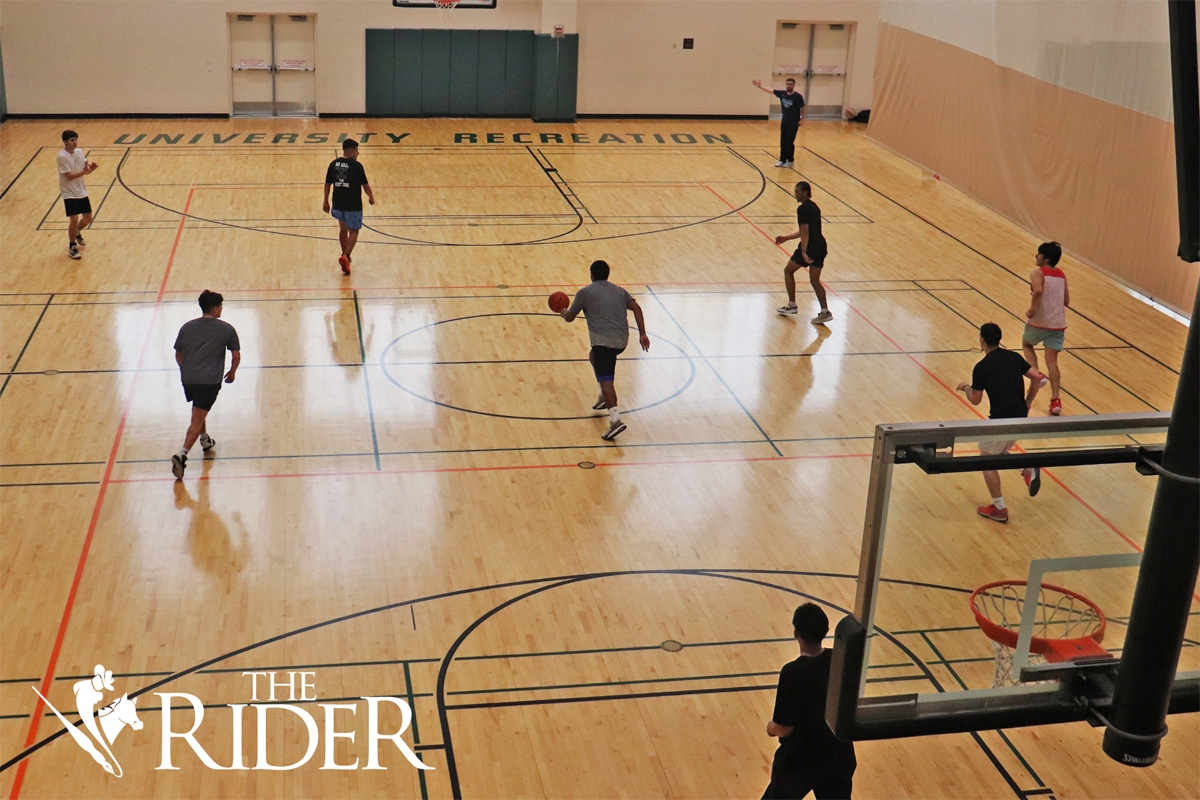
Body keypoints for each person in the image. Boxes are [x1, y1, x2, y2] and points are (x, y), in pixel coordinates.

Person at [762, 603, 857, 800]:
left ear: (796, 633)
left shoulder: (792, 673)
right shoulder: (839, 660)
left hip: (800, 761)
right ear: (826, 631)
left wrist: (771, 728)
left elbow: (784, 728)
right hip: (837, 756)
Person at [956, 323, 1046, 523]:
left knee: (986, 459)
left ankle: (999, 508)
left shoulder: (982, 367)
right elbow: (1038, 378)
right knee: (994, 452)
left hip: (1001, 420)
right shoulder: (1014, 357)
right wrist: (1029, 401)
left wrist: (966, 387)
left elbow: (975, 399)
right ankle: (1025, 469)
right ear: (999, 339)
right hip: (1020, 416)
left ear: (982, 341)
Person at [561, 260, 650, 441]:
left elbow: (569, 317)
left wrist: (560, 310)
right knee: (593, 357)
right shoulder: (619, 291)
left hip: (604, 343)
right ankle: (603, 395)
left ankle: (615, 420)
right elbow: (637, 308)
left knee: (607, 380)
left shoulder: (585, 293)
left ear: (591, 274)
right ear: (607, 274)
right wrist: (642, 334)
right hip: (621, 341)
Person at [172, 291, 240, 479]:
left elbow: (178, 353)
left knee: (198, 410)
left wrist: (185, 369)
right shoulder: (227, 329)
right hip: (209, 381)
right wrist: (232, 372)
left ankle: (205, 440)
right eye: (221, 306)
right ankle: (182, 454)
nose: (222, 309)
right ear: (216, 307)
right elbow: (236, 355)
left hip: (189, 379)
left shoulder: (187, 327)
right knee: (196, 419)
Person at [1022, 242, 1069, 416]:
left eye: (1039, 254)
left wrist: (1032, 310)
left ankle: (1037, 374)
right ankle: (1055, 400)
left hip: (1040, 321)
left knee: (1027, 344)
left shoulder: (1037, 273)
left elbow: (1039, 291)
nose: (1036, 256)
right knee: (1052, 362)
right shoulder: (1061, 275)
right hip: (1058, 323)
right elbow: (1066, 301)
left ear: (1046, 258)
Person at [774, 182, 831, 324]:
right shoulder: (814, 206)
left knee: (788, 271)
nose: (795, 194)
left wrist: (804, 253)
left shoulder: (802, 209)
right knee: (815, 281)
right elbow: (806, 230)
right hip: (820, 246)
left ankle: (792, 305)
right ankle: (825, 312)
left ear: (805, 193)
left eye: (798, 192)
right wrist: (786, 238)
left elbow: (805, 232)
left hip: (810, 247)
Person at [322, 138, 375, 275]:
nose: (358, 154)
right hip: (353, 204)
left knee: (343, 229)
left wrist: (325, 201)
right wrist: (371, 196)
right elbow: (365, 185)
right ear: (351, 151)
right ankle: (346, 256)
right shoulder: (357, 166)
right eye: (357, 151)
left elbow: (328, 184)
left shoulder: (333, 164)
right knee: (354, 231)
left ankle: (344, 254)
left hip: (337, 203)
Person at [57, 129, 98, 260]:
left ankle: (77, 232)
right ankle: (72, 247)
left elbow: (84, 171)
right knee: (74, 219)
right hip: (69, 192)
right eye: (72, 140)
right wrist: (84, 172)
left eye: (76, 139)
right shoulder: (62, 156)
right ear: (65, 142)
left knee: (87, 219)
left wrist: (90, 170)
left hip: (81, 190)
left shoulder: (79, 152)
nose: (75, 142)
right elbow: (69, 177)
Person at [752, 78, 805, 167]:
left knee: (789, 142)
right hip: (784, 122)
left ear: (794, 85)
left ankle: (790, 160)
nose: (789, 85)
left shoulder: (797, 96)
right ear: (786, 84)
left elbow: (802, 107)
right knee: (783, 141)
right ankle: (782, 159)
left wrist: (802, 119)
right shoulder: (782, 94)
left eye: (791, 84)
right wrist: (760, 86)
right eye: (788, 84)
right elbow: (771, 90)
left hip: (793, 122)